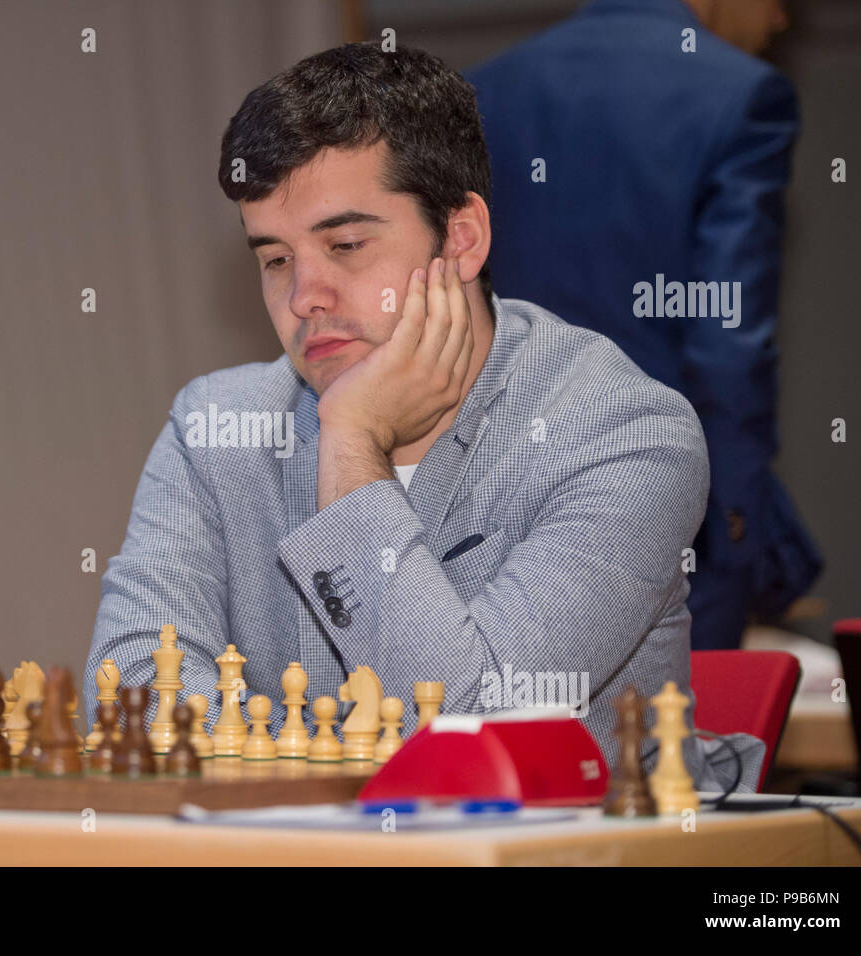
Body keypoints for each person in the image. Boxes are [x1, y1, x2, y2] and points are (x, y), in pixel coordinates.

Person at [84, 41, 763, 791]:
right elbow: (128, 703)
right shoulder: (212, 429)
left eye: (345, 244)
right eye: (275, 259)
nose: (304, 295)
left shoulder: (622, 436)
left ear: (462, 237)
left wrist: (350, 444)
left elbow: (470, 737)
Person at [469, 0, 821, 650]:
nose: (776, 21)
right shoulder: (741, 94)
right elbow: (728, 343)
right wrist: (738, 527)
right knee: (670, 738)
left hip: (499, 497)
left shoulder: (483, 89)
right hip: (669, 508)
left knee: (518, 732)